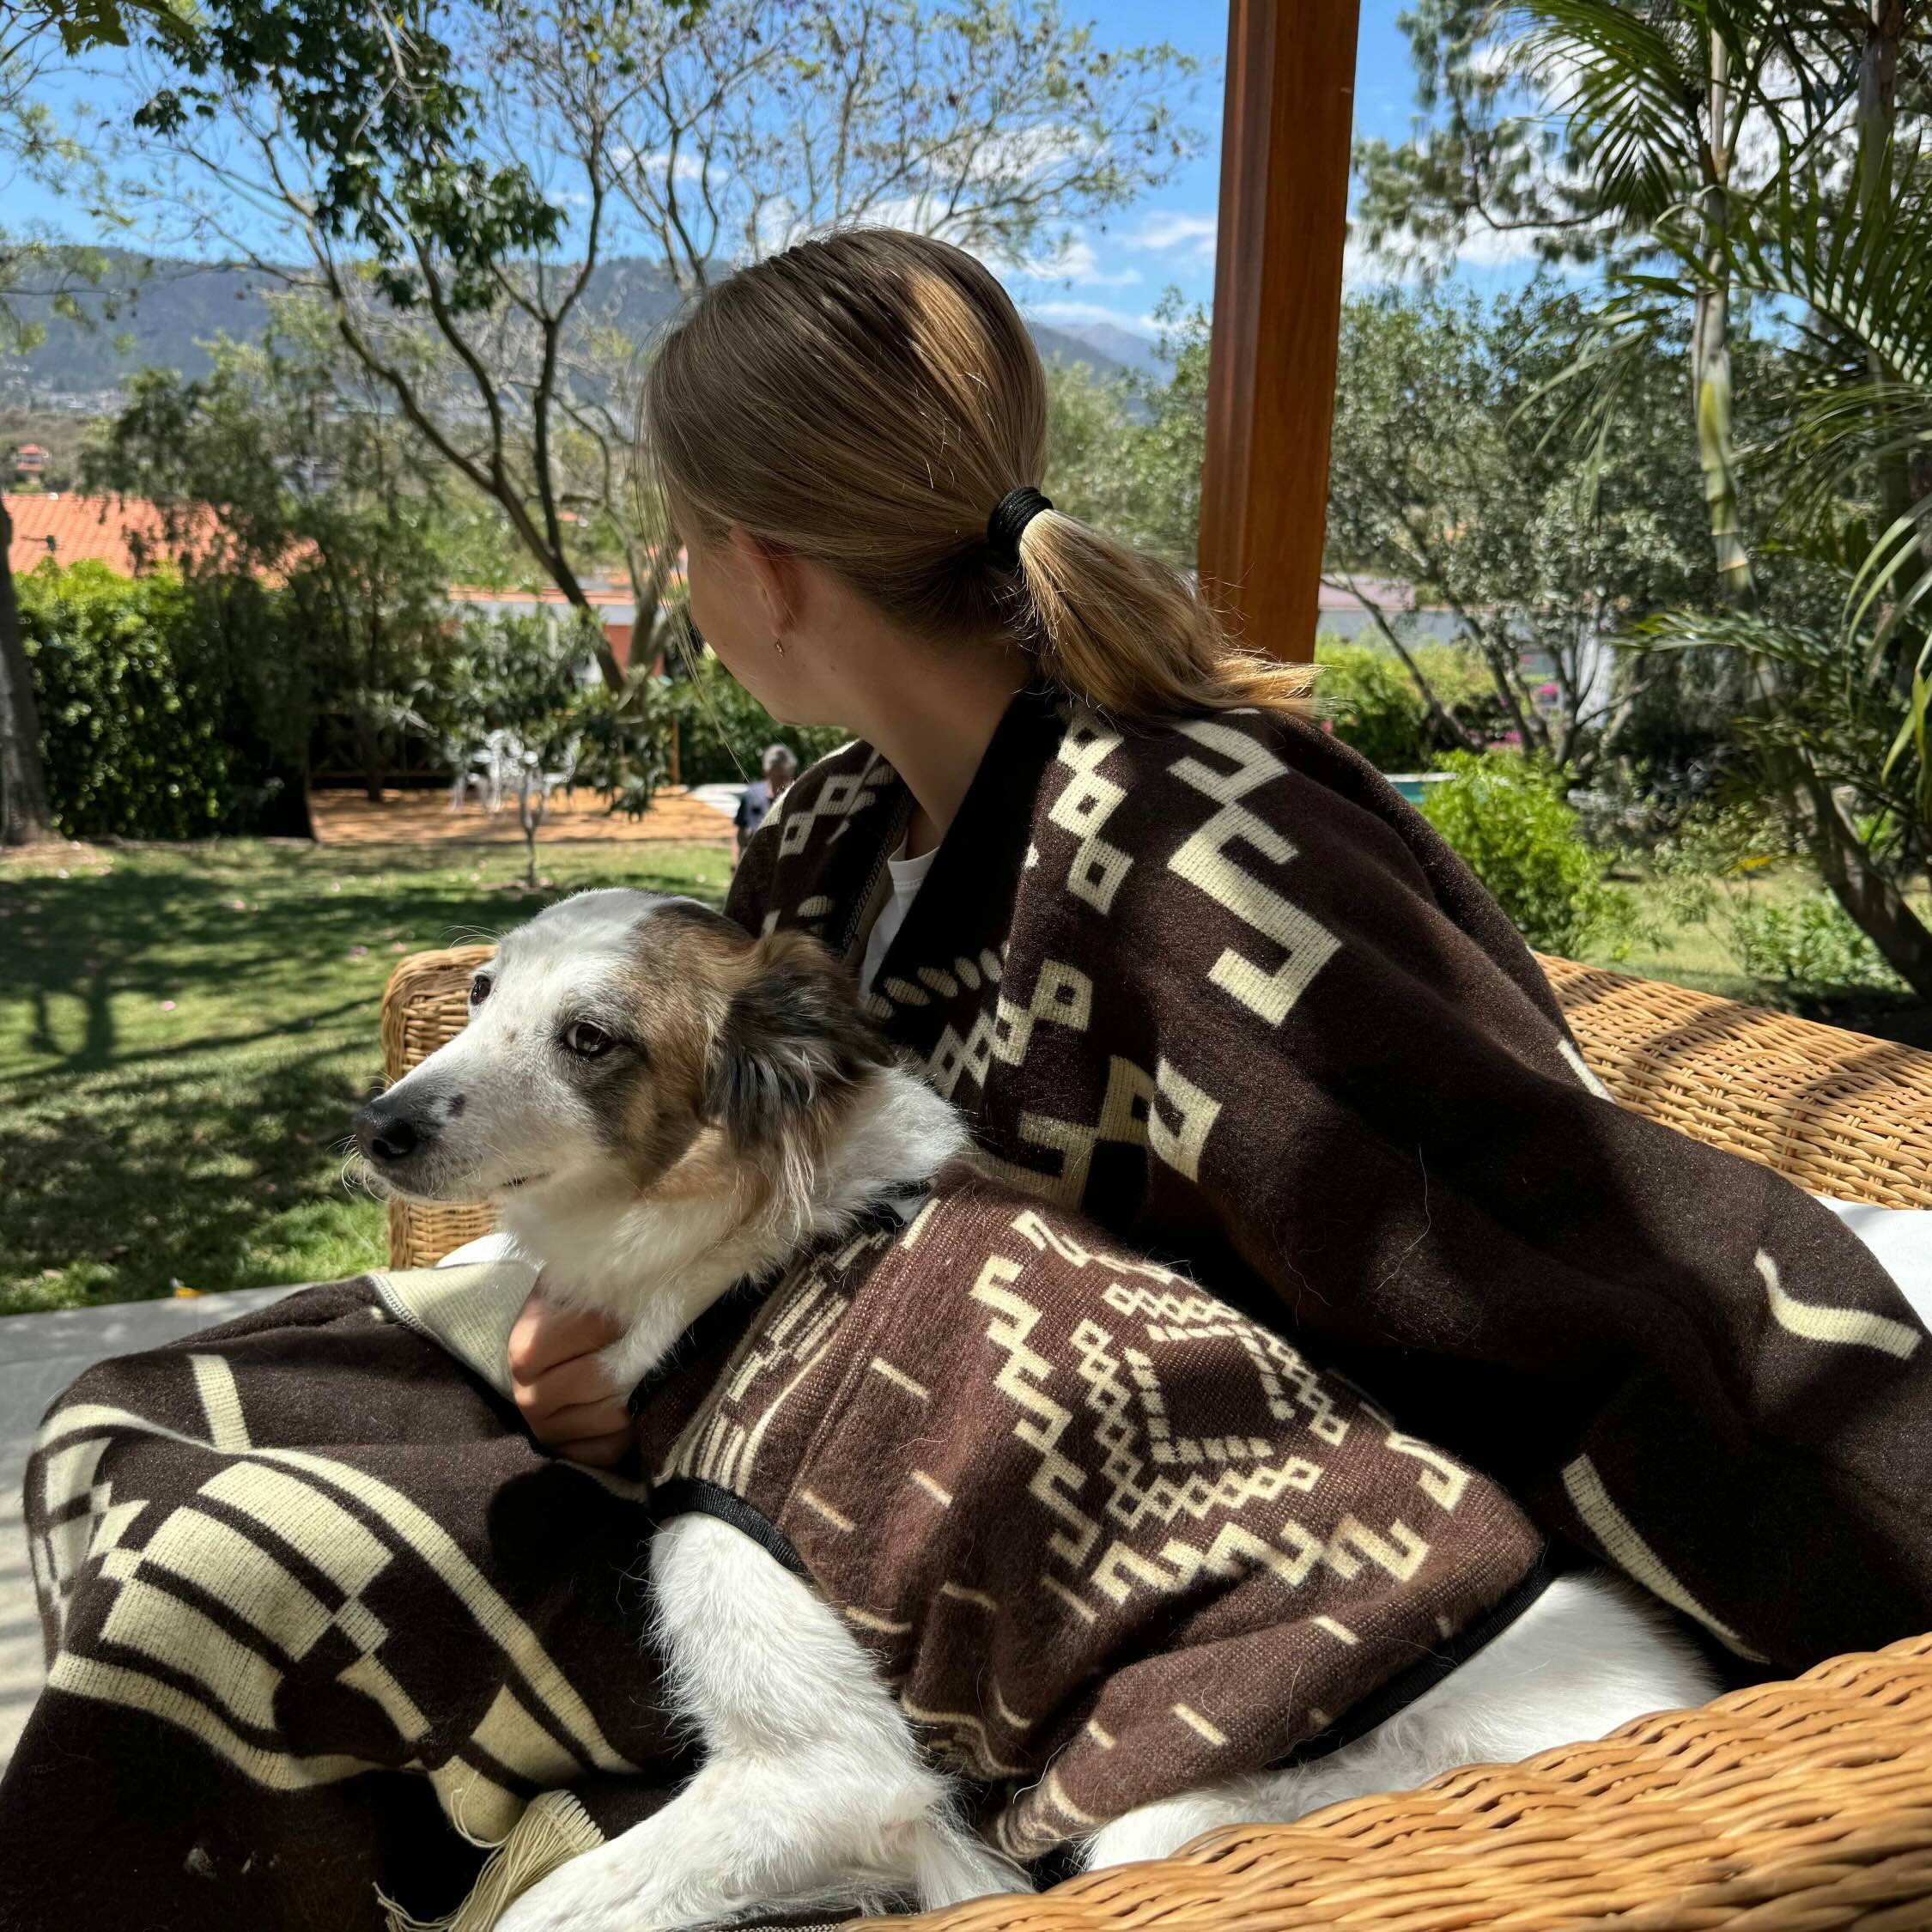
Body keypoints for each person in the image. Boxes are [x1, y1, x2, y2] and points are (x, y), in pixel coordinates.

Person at [9, 227, 1932, 1932]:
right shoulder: (838, 831)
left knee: (231, 1581)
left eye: (681, 539)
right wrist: (598, 1358)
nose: (686, 583)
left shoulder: (1196, 844)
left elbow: (1504, 1253)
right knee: (160, 1410)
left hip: (1060, 1566)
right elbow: (760, 1201)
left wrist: (1842, 1547)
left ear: (757, 567)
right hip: (815, 1453)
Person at [732, 741, 796, 862]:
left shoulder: (794, 797)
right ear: (767, 773)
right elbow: (739, 832)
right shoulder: (752, 795)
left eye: (787, 777)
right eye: (779, 777)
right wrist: (735, 863)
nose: (785, 783)